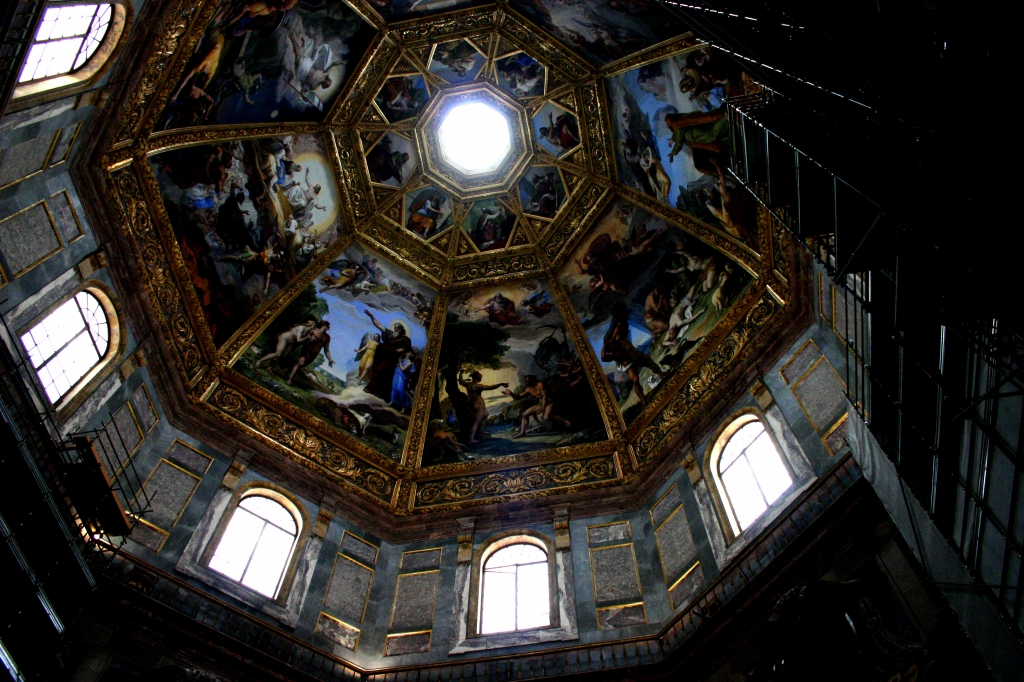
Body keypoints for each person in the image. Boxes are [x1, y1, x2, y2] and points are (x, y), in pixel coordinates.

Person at [601, 301, 666, 406]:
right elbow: (604, 356)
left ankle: (662, 375)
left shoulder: (621, 325)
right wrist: (606, 345)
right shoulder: (617, 331)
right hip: (628, 360)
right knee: (636, 379)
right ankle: (643, 400)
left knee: (651, 364)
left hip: (633, 354)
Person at [363, 310, 413, 400]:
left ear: (401, 330)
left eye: (398, 328)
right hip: (384, 357)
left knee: (387, 377)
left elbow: (406, 350)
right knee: (378, 371)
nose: (396, 329)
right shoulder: (390, 334)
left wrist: (400, 350)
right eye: (395, 328)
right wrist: (371, 316)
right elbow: (378, 325)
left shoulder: (405, 339)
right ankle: (371, 389)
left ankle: (381, 394)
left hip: (393, 360)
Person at [502, 375, 571, 438]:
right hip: (540, 404)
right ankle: (522, 432)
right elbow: (518, 397)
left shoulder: (540, 384)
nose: (526, 381)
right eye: (525, 380)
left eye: (527, 380)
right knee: (524, 414)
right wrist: (511, 393)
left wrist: (543, 408)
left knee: (546, 417)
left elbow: (545, 397)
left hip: (550, 403)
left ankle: (565, 421)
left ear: (532, 380)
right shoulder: (529, 389)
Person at [458, 370, 508, 444]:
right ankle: (471, 439)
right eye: (480, 378)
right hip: (479, 405)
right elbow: (491, 387)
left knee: (485, 414)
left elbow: (460, 381)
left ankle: (480, 434)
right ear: (478, 379)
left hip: (472, 404)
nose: (480, 379)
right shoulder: (478, 386)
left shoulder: (467, 384)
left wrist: (461, 373)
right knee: (477, 421)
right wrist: (500, 384)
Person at [286, 321, 334, 385]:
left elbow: (326, 349)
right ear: (323, 325)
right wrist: (310, 339)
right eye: (327, 326)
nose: (328, 327)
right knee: (301, 363)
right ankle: (289, 380)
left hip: (314, 353)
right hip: (307, 349)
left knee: (302, 364)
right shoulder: (314, 330)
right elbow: (304, 338)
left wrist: (330, 359)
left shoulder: (327, 337)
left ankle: (288, 369)